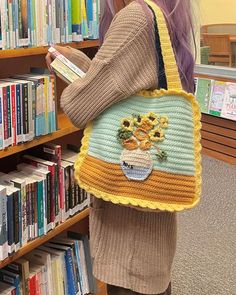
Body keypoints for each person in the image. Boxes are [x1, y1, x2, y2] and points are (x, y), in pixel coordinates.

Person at [46, 0, 195, 294]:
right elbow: (122, 87)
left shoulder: (134, 18)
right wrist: (76, 60)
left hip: (128, 219)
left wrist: (66, 71)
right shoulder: (160, 13)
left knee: (130, 283)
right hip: (147, 206)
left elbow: (79, 105)